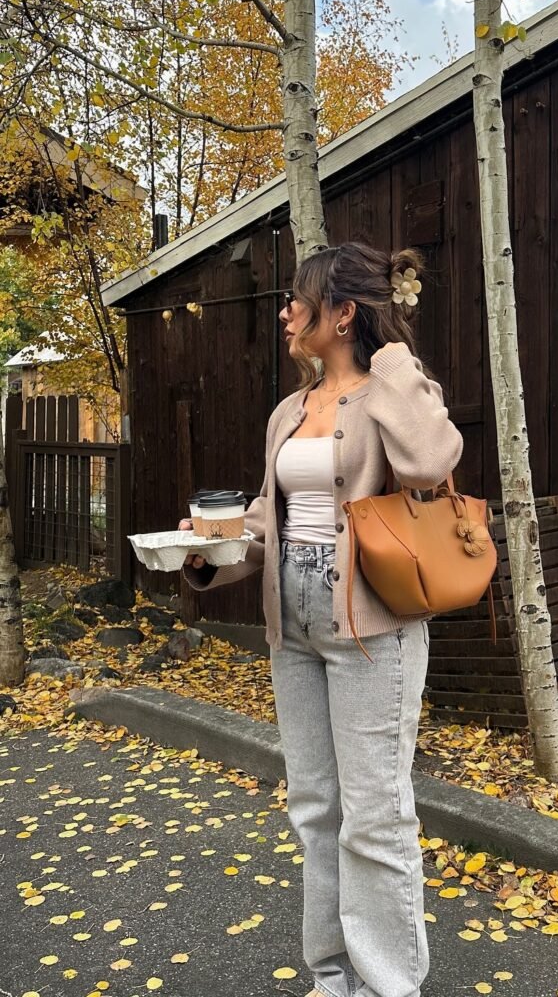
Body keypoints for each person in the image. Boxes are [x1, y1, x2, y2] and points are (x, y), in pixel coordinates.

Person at [179, 241, 463, 997]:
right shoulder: (289, 410)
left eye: (296, 301)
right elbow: (270, 522)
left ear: (341, 314)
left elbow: (430, 464)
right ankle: (333, 977)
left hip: (373, 631)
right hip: (294, 629)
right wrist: (208, 550)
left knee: (374, 818)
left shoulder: (394, 391)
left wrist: (392, 354)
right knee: (315, 810)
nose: (284, 314)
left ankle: (388, 986)